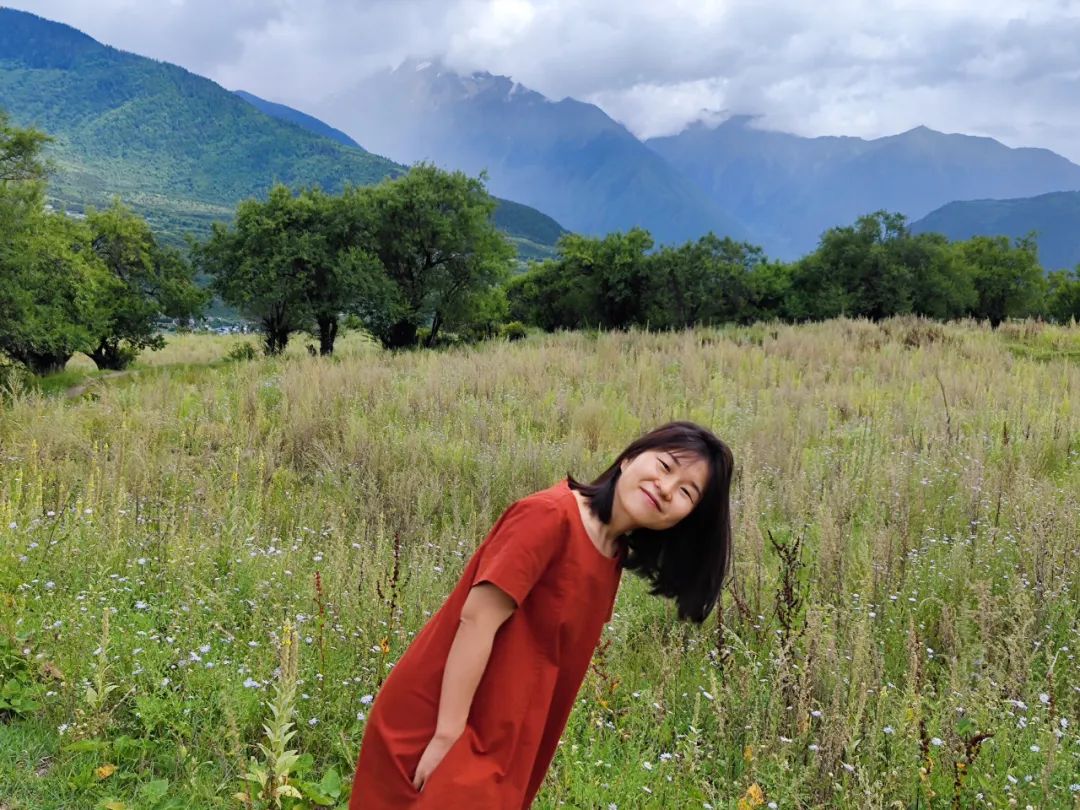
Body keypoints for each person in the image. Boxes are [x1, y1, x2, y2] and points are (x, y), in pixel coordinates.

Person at [348, 421, 734, 809]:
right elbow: (477, 620)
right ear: (630, 458)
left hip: (506, 740)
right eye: (665, 466)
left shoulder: (611, 554)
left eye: (686, 492)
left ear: (688, 518)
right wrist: (447, 736)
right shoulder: (549, 516)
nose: (666, 489)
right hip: (442, 722)